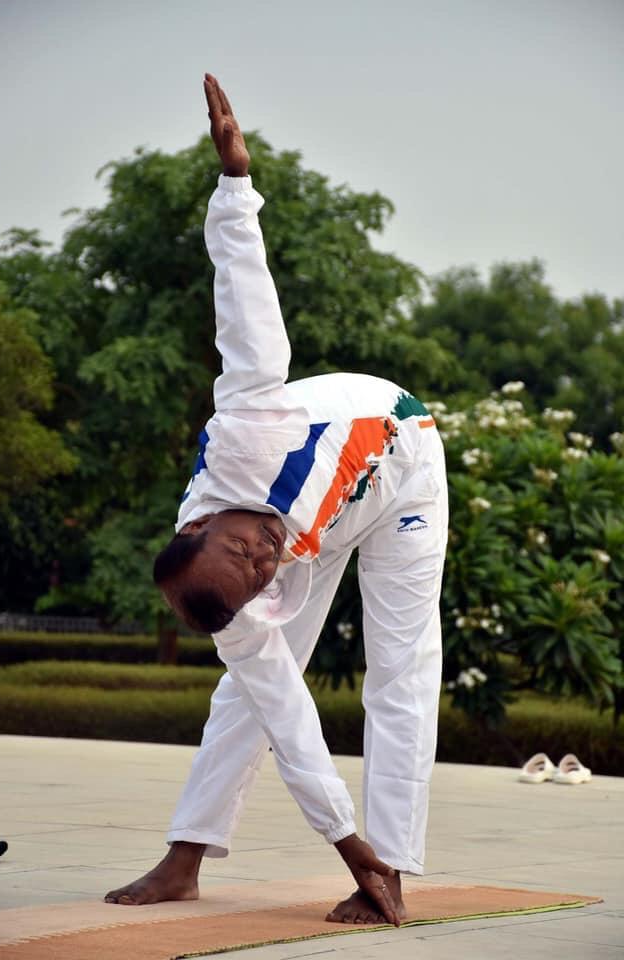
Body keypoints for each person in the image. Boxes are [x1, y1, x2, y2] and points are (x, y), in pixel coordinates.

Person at [104, 74, 448, 926]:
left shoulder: (246, 425)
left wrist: (234, 185)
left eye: (247, 554)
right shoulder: (244, 592)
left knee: (400, 674)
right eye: (259, 573)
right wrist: (342, 841)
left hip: (403, 466)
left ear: (207, 522)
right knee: (254, 689)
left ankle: (396, 869)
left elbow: (243, 300)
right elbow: (292, 726)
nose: (263, 563)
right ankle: (186, 857)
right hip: (326, 522)